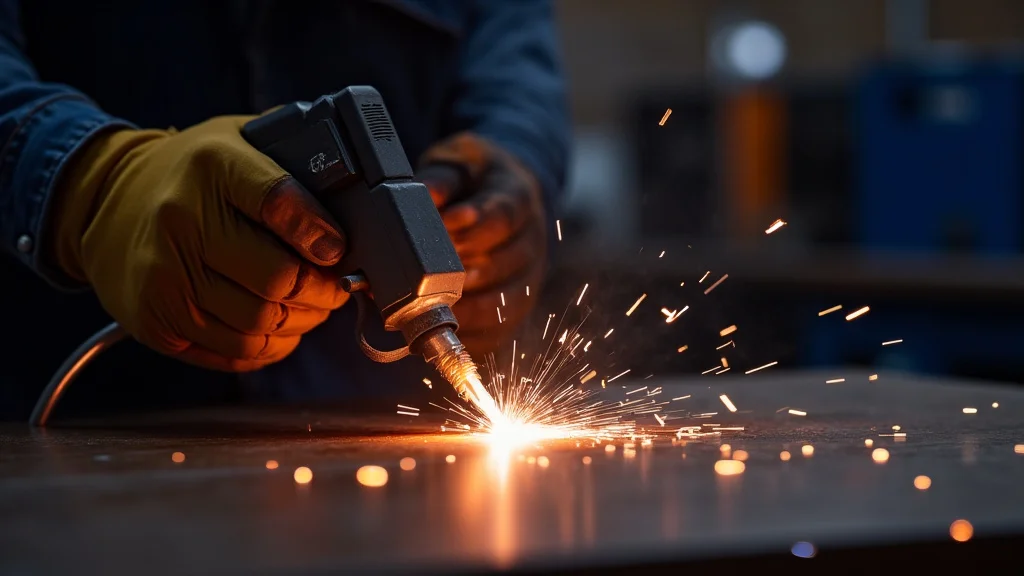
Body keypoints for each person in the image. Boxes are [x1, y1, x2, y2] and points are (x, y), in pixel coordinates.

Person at [0, 1, 570, 419]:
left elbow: (514, 71)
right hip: (87, 418)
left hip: (371, 416)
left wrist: (512, 166)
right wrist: (89, 183)